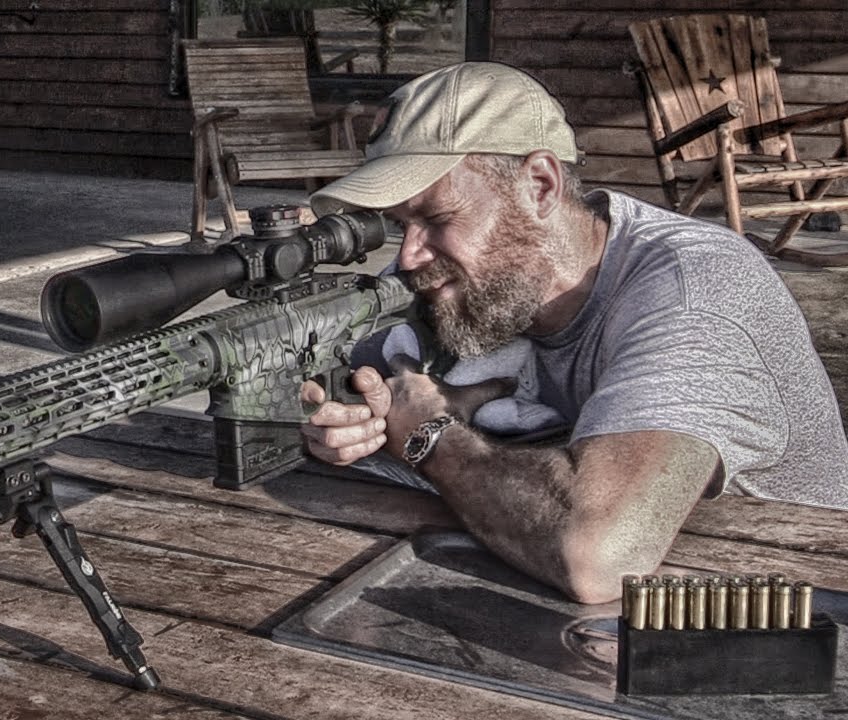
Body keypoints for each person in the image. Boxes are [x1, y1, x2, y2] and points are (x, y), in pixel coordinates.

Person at [299, 62, 848, 604]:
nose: (409, 256)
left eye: (437, 219)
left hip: (792, 599)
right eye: (400, 225)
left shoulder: (696, 290)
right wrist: (344, 418)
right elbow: (363, 379)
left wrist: (429, 436)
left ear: (540, 186)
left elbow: (597, 556)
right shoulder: (486, 281)